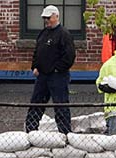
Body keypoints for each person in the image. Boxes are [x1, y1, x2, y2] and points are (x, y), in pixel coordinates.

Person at [25, 5, 76, 134]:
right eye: (44, 18)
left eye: (48, 18)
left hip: (58, 77)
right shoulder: (43, 33)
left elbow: (69, 56)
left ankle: (64, 133)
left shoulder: (64, 34)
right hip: (42, 76)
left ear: (56, 16)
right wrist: (35, 66)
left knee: (60, 105)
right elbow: (37, 51)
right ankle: (30, 130)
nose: (46, 20)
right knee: (36, 104)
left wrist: (57, 69)